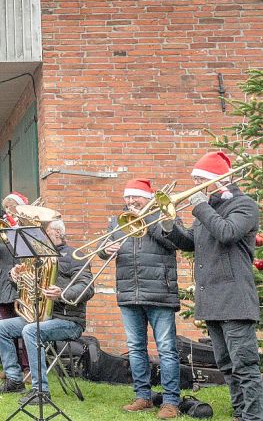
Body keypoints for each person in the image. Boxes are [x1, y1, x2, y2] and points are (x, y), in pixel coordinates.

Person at [163, 151, 262, 420]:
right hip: (212, 299)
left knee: (245, 365)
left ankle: (253, 416)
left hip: (235, 298)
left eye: (199, 179)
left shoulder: (244, 205)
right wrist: (169, 225)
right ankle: (240, 413)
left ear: (216, 180)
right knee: (227, 366)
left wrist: (201, 207)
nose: (194, 184)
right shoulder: (208, 211)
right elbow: (190, 243)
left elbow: (227, 232)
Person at [94, 178, 183, 418]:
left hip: (159, 292)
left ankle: (171, 401)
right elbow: (102, 250)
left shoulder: (165, 214)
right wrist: (106, 249)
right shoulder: (117, 221)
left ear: (149, 197)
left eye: (136, 197)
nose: (131, 202)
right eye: (128, 197)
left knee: (166, 348)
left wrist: (149, 217)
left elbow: (175, 241)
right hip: (128, 292)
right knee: (135, 347)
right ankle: (142, 396)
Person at [0, 219, 94, 406]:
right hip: (40, 315)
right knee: (0, 327)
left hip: (68, 320)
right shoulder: (36, 257)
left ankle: (41, 391)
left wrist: (61, 294)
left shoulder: (74, 256)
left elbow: (87, 287)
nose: (38, 237)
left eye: (43, 232)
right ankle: (14, 380)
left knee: (31, 331)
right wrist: (15, 277)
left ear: (57, 233)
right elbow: (26, 286)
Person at [0, 192, 30, 379]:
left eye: (12, 206)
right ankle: (10, 368)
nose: (9, 210)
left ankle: (28, 367)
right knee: (5, 326)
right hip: (2, 280)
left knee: (26, 327)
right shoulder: (1, 228)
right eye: (6, 207)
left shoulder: (28, 227)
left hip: (22, 281)